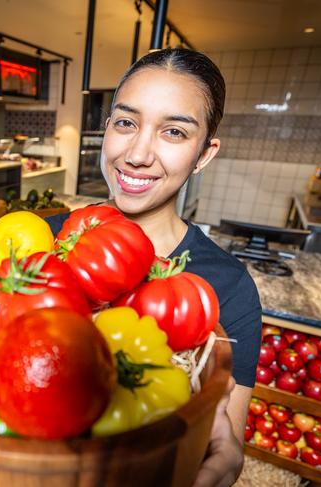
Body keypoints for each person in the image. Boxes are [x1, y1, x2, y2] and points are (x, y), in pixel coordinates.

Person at [48, 48, 262, 487]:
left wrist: (225, 459)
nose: (138, 154)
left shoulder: (228, 287)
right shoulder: (43, 242)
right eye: (126, 123)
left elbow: (225, 442)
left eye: (174, 132)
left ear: (204, 153)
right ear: (106, 129)